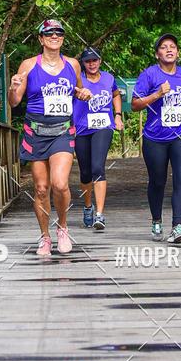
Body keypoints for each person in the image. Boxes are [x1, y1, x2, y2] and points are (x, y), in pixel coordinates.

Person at [8, 19, 91, 256]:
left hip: (63, 130)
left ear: (63, 38)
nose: (54, 36)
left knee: (60, 183)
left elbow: (78, 90)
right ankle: (45, 237)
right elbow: (14, 102)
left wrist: (84, 94)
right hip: (36, 131)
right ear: (41, 39)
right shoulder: (28, 65)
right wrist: (14, 87)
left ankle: (62, 227)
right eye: (49, 33)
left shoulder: (73, 64)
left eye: (59, 33)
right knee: (42, 189)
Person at [131, 33, 181, 244]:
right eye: (164, 47)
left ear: (177, 52)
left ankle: (178, 227)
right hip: (155, 137)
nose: (169, 50)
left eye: (172, 47)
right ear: (157, 53)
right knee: (158, 181)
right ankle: (156, 219)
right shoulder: (149, 75)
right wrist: (157, 94)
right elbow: (135, 104)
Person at [73, 46, 124, 230]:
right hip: (82, 129)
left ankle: (100, 215)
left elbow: (116, 94)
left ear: (100, 60)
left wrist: (117, 115)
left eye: (94, 60)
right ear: (83, 64)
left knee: (97, 167)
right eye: (88, 61)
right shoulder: (78, 80)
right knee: (85, 172)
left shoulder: (109, 78)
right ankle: (88, 206)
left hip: (103, 126)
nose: (92, 64)